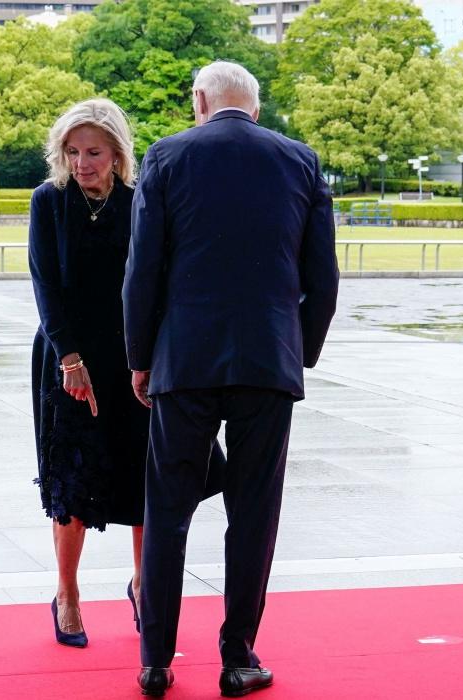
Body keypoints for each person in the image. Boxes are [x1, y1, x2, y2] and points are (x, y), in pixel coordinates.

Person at [124, 61, 339, 697]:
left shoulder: (167, 157)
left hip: (184, 360)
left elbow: (143, 270)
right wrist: (298, 352)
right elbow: (322, 278)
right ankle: (239, 656)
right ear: (256, 107)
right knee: (253, 514)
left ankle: (155, 660)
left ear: (200, 100)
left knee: (167, 512)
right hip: (267, 361)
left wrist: (141, 356)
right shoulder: (300, 160)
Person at [29, 98, 226, 649]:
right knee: (72, 483)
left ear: (117, 153)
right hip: (68, 356)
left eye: (93, 152)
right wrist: (70, 359)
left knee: (145, 478)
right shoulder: (49, 200)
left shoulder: (141, 200)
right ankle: (67, 593)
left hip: (135, 357)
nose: (82, 163)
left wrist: (159, 356)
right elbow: (45, 285)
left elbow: (159, 282)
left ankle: (144, 585)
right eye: (72, 151)